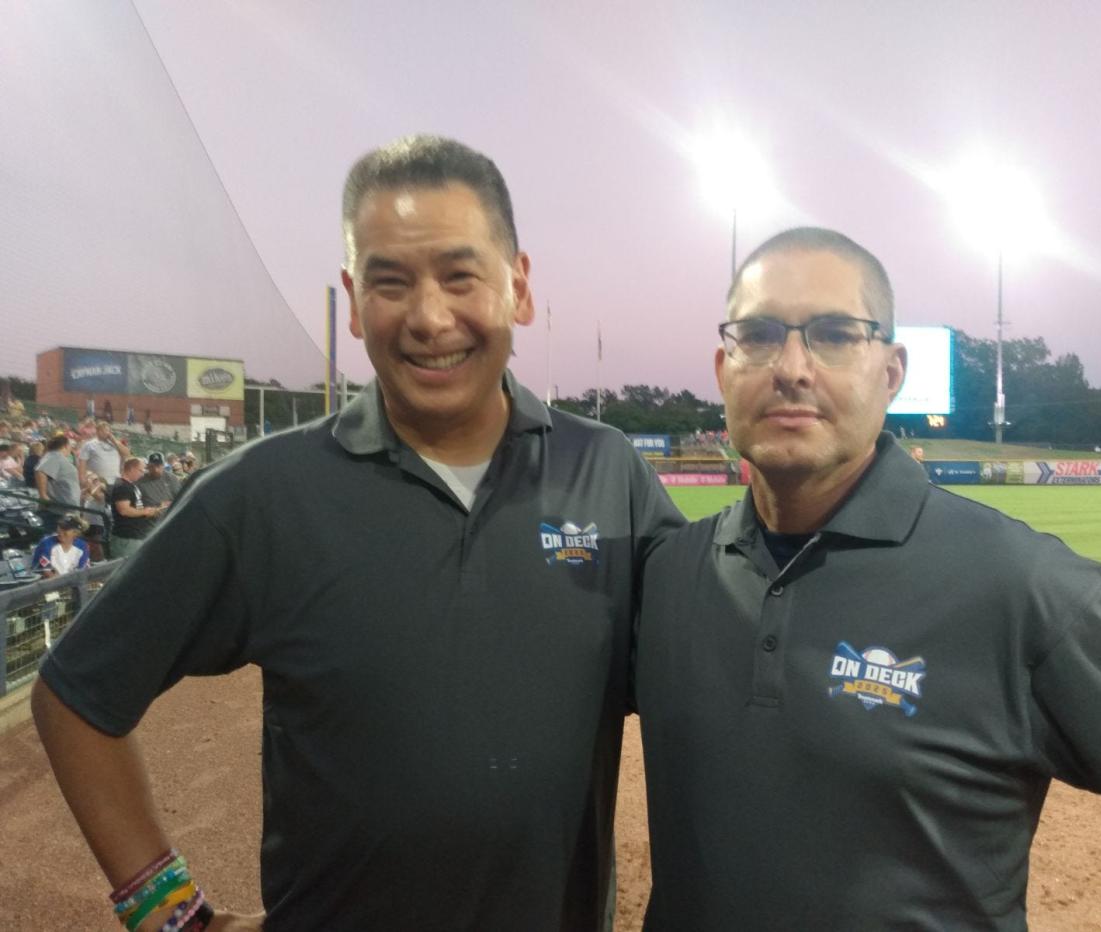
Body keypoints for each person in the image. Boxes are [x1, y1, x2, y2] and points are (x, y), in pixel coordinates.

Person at [32, 134, 681, 931]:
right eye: (390, 282)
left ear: (519, 287)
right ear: (353, 296)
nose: (429, 317)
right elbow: (75, 696)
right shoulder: (263, 493)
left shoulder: (608, 472)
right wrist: (169, 912)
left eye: (459, 275)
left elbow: (723, 672)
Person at [635, 227, 1101, 930]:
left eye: (834, 334)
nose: (792, 366)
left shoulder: (1023, 585)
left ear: (891, 373)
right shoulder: (671, 574)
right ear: (722, 367)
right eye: (760, 334)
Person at [108, 456, 163, 558]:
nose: (142, 474)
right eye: (140, 471)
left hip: (135, 536)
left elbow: (135, 507)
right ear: (132, 469)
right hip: (126, 537)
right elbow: (123, 510)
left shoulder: (130, 485)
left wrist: (151, 510)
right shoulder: (122, 486)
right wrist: (144, 512)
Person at [35, 434, 82, 518]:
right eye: (70, 445)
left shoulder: (55, 456)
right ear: (65, 446)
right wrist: (43, 495)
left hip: (65, 509)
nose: (71, 448)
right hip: (58, 512)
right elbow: (40, 471)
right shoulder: (55, 456)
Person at [77, 418, 128, 489]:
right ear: (97, 431)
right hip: (97, 483)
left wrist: (114, 440)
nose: (106, 432)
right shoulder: (89, 445)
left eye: (107, 430)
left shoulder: (115, 444)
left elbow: (126, 453)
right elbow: (82, 464)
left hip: (115, 482)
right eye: (103, 430)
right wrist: (83, 481)